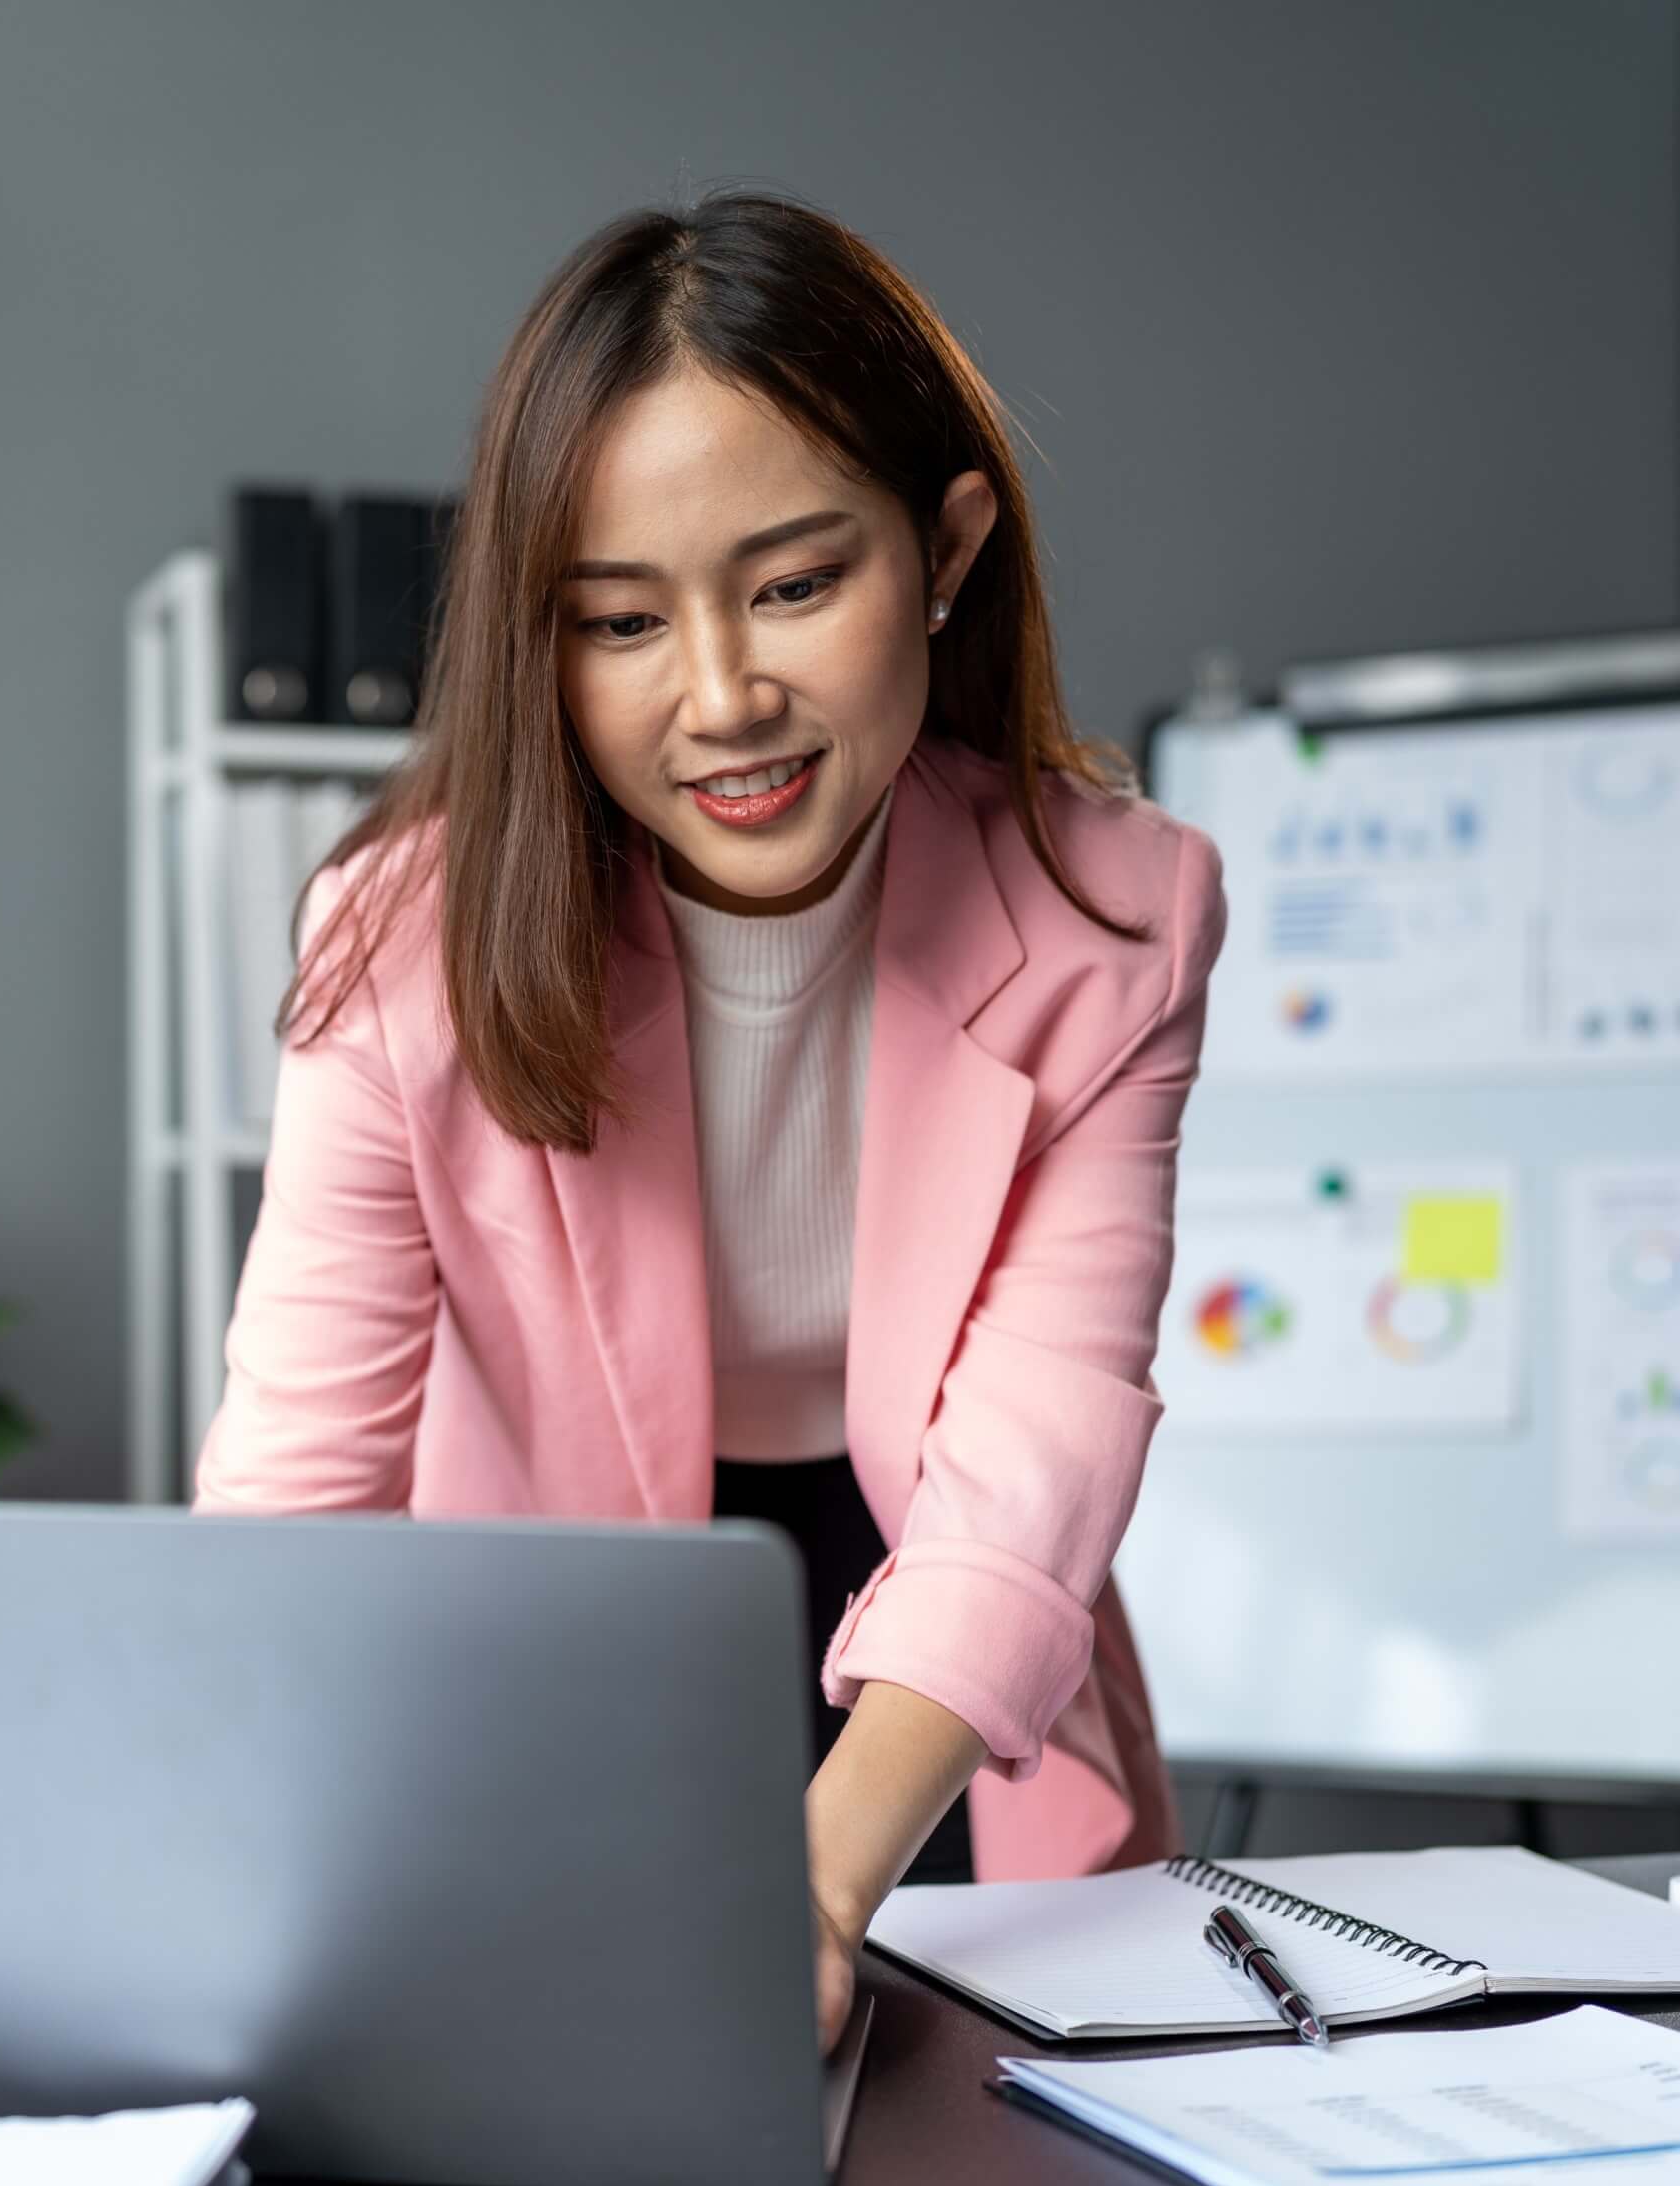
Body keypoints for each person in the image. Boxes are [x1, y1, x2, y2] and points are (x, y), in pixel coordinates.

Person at [191, 189, 1224, 2051]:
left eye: (794, 583)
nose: (721, 695)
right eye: (615, 620)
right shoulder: (395, 942)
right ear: (540, 640)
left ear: (945, 547)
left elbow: (1030, 1461)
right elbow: (292, 1498)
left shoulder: (1116, 919)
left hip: (943, 1674)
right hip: (553, 1673)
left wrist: (815, 1889)